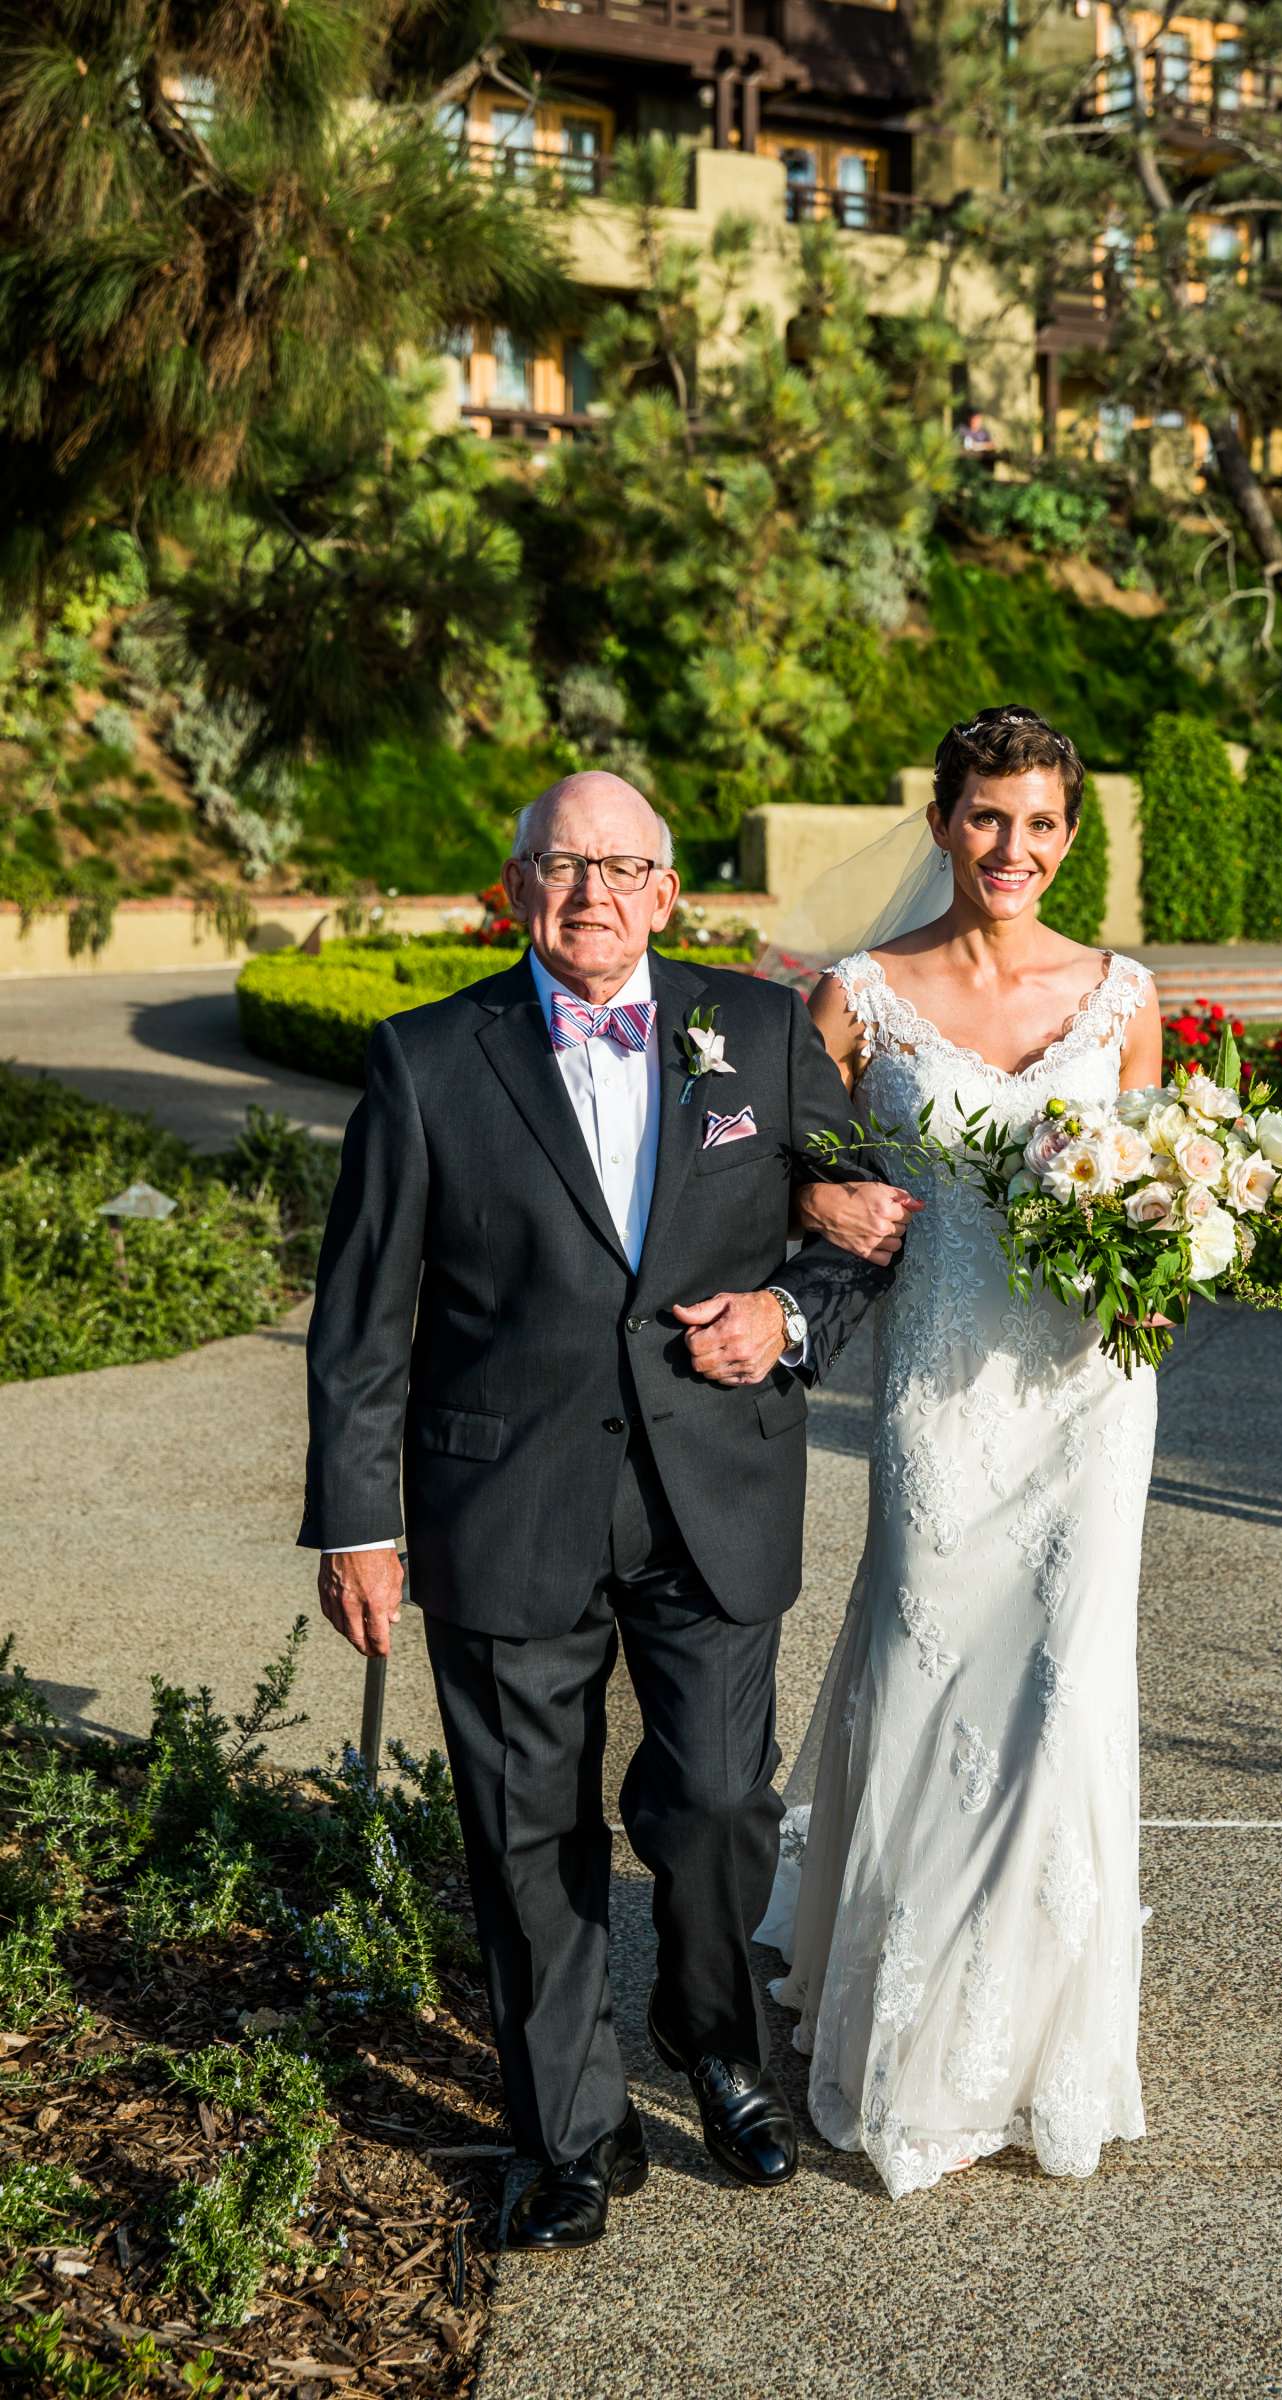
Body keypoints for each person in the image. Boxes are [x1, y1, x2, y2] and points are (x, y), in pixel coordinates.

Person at [301, 773, 892, 2251]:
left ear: (670, 892)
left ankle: (716, 2046)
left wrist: (785, 1316)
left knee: (710, 1806)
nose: (594, 896)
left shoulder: (752, 1032)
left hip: (715, 1491)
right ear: (516, 887)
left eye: (625, 869)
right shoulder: (428, 1059)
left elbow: (866, 1219)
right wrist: (354, 1523)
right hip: (502, 1497)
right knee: (522, 1830)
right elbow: (364, 1314)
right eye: (564, 867)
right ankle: (569, 2129)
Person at [756, 704, 1164, 2198]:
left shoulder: (1124, 996)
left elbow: (1152, 1177)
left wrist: (1174, 1244)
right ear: (943, 823)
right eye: (990, 817)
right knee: (929, 1671)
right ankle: (904, 2028)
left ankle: (1038, 2039)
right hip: (938, 1390)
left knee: (1065, 1690)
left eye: (1043, 823)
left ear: (1070, 835)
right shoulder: (861, 997)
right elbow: (776, 1175)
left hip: (1088, 1393)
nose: (1016, 850)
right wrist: (817, 1210)